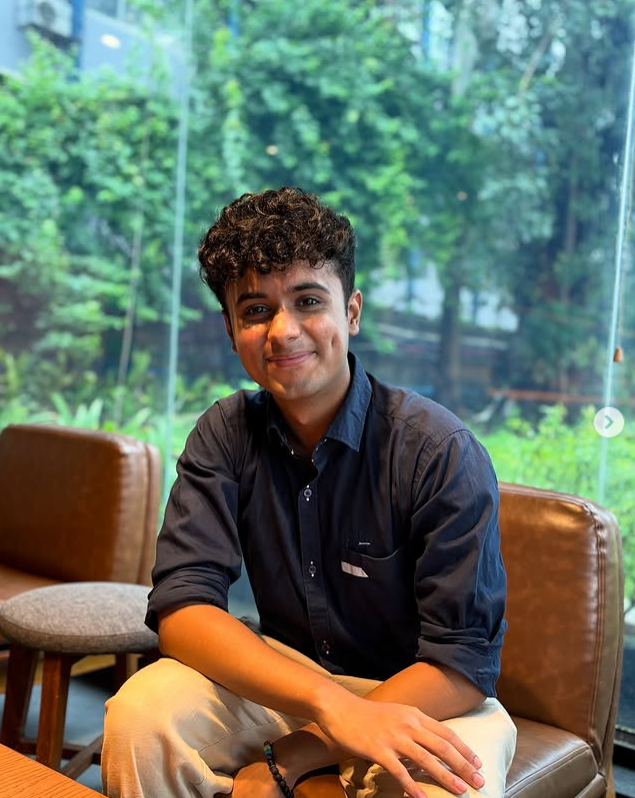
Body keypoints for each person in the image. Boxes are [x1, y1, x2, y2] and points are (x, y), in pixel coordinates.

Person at [101, 187, 516, 798]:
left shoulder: (438, 450)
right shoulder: (225, 432)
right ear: (231, 329)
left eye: (308, 301)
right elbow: (183, 610)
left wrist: (294, 755)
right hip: (289, 681)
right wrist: (327, 704)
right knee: (141, 717)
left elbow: (461, 663)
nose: (284, 330)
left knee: (455, 786)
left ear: (352, 312)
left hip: (425, 694)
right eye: (256, 310)